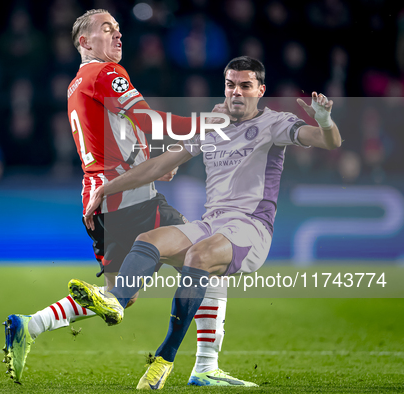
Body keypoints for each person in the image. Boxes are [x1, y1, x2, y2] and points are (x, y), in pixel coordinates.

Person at [70, 55, 342, 389]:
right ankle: (120, 302)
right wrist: (106, 188)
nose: (237, 93)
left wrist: (326, 122)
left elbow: (328, 142)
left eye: (245, 86)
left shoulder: (275, 123)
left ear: (260, 90)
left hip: (251, 228)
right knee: (150, 239)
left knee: (200, 255)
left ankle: (164, 357)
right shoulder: (213, 126)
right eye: (231, 85)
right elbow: (159, 165)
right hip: (212, 223)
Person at [1, 9, 232, 384]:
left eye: (119, 30)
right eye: (107, 30)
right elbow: (150, 121)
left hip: (102, 201)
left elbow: (118, 137)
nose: (118, 35)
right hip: (129, 197)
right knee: (208, 257)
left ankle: (29, 325)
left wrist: (154, 160)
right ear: (84, 42)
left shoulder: (78, 82)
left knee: (120, 292)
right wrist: (215, 122)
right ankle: (202, 366)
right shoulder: (105, 73)